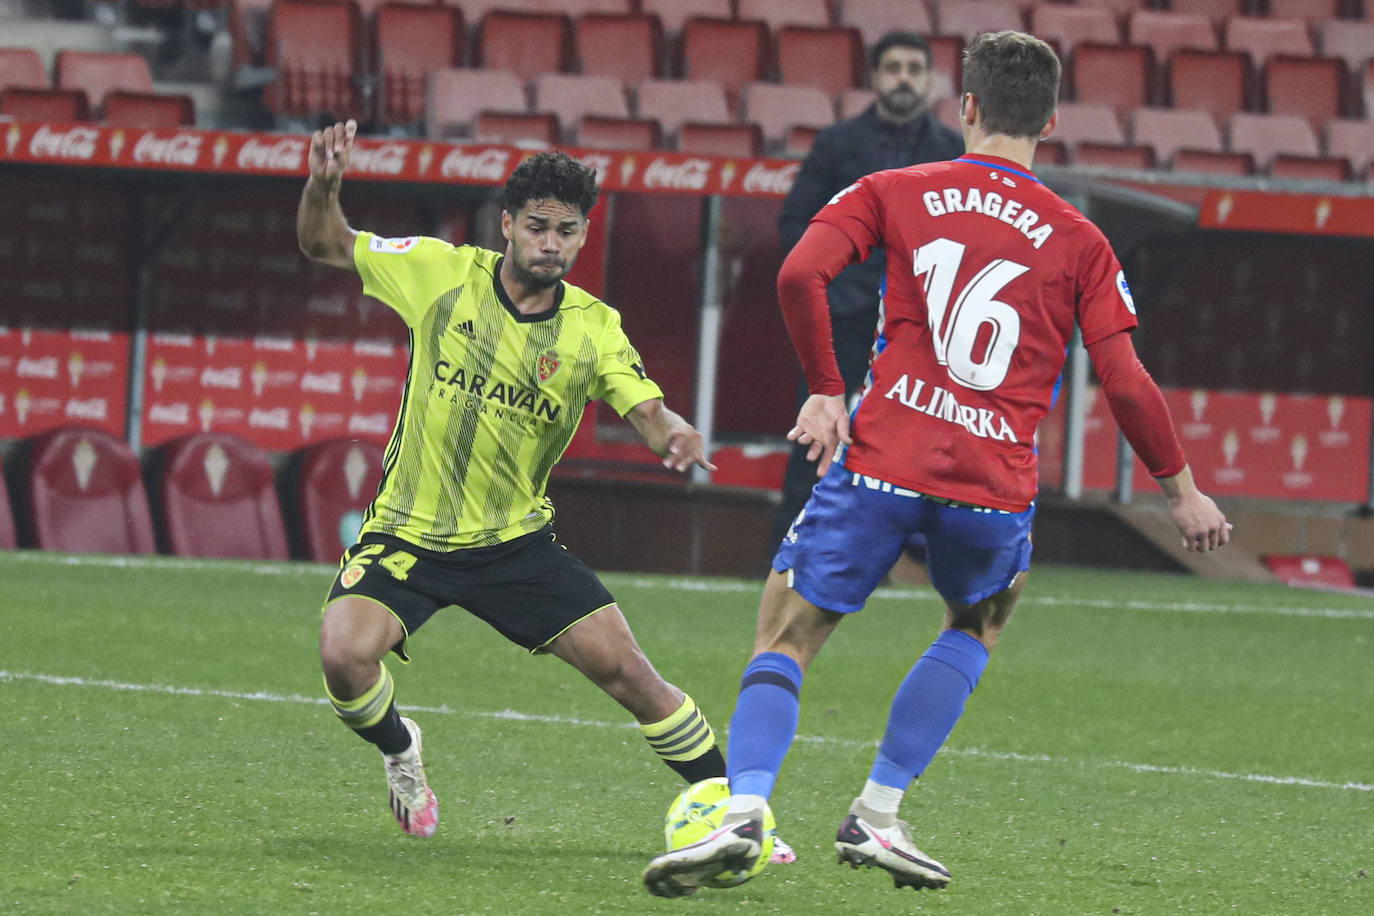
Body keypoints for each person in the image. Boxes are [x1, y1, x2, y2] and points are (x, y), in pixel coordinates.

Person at [643, 31, 1232, 898]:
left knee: (787, 634)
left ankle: (744, 813)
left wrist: (825, 390)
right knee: (977, 622)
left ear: (965, 108)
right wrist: (1182, 492)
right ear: (1052, 120)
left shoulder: (897, 188)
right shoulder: (1082, 241)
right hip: (991, 488)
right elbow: (1127, 383)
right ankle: (878, 813)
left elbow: (801, 270)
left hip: (880, 462)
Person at [298, 125, 797, 859]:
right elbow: (325, 243)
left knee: (631, 673)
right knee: (343, 654)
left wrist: (674, 434)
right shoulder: (439, 272)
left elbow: (646, 411)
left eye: (566, 231)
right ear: (507, 225)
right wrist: (323, 184)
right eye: (537, 227)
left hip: (514, 545)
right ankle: (401, 748)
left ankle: (738, 816)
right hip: (410, 532)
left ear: (582, 234)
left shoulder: (593, 329)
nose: (550, 244)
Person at [769, 30, 965, 556]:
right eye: (894, 67)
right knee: (817, 433)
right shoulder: (837, 143)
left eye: (915, 68)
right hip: (845, 318)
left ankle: (926, 559)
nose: (904, 77)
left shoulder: (953, 150)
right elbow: (797, 224)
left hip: (924, 326)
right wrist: (834, 283)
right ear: (875, 78)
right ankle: (791, 551)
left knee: (927, 436)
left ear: (930, 81)